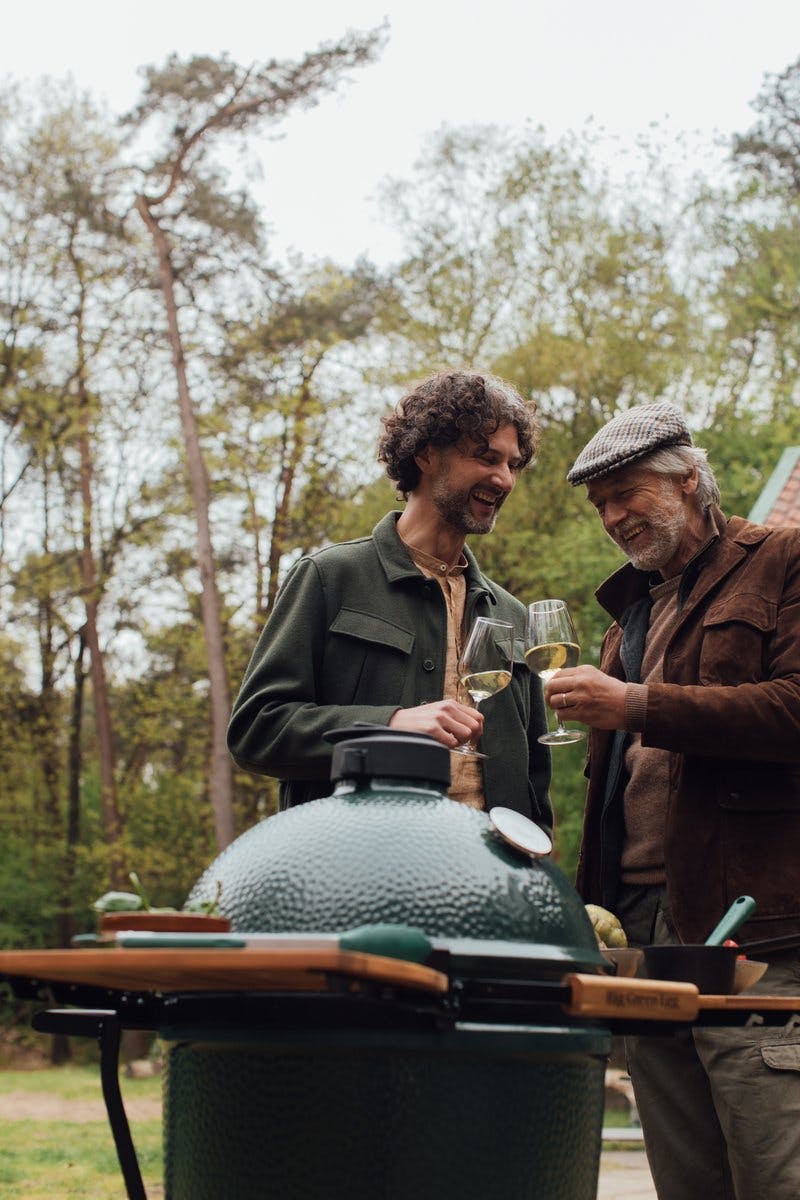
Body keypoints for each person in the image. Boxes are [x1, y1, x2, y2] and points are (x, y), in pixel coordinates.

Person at [546, 400, 800, 1200]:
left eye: (626, 493)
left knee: (775, 1171)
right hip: (641, 933)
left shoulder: (784, 559)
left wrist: (636, 704)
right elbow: (614, 795)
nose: (613, 516)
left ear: (690, 479)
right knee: (687, 1183)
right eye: (600, 505)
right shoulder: (630, 614)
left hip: (753, 927)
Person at [227, 369, 552, 830]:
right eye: (486, 457)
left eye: (512, 464)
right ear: (425, 453)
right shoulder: (329, 578)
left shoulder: (513, 615)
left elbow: (534, 781)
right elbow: (257, 731)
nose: (503, 479)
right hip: (363, 872)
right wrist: (391, 723)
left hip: (491, 877)